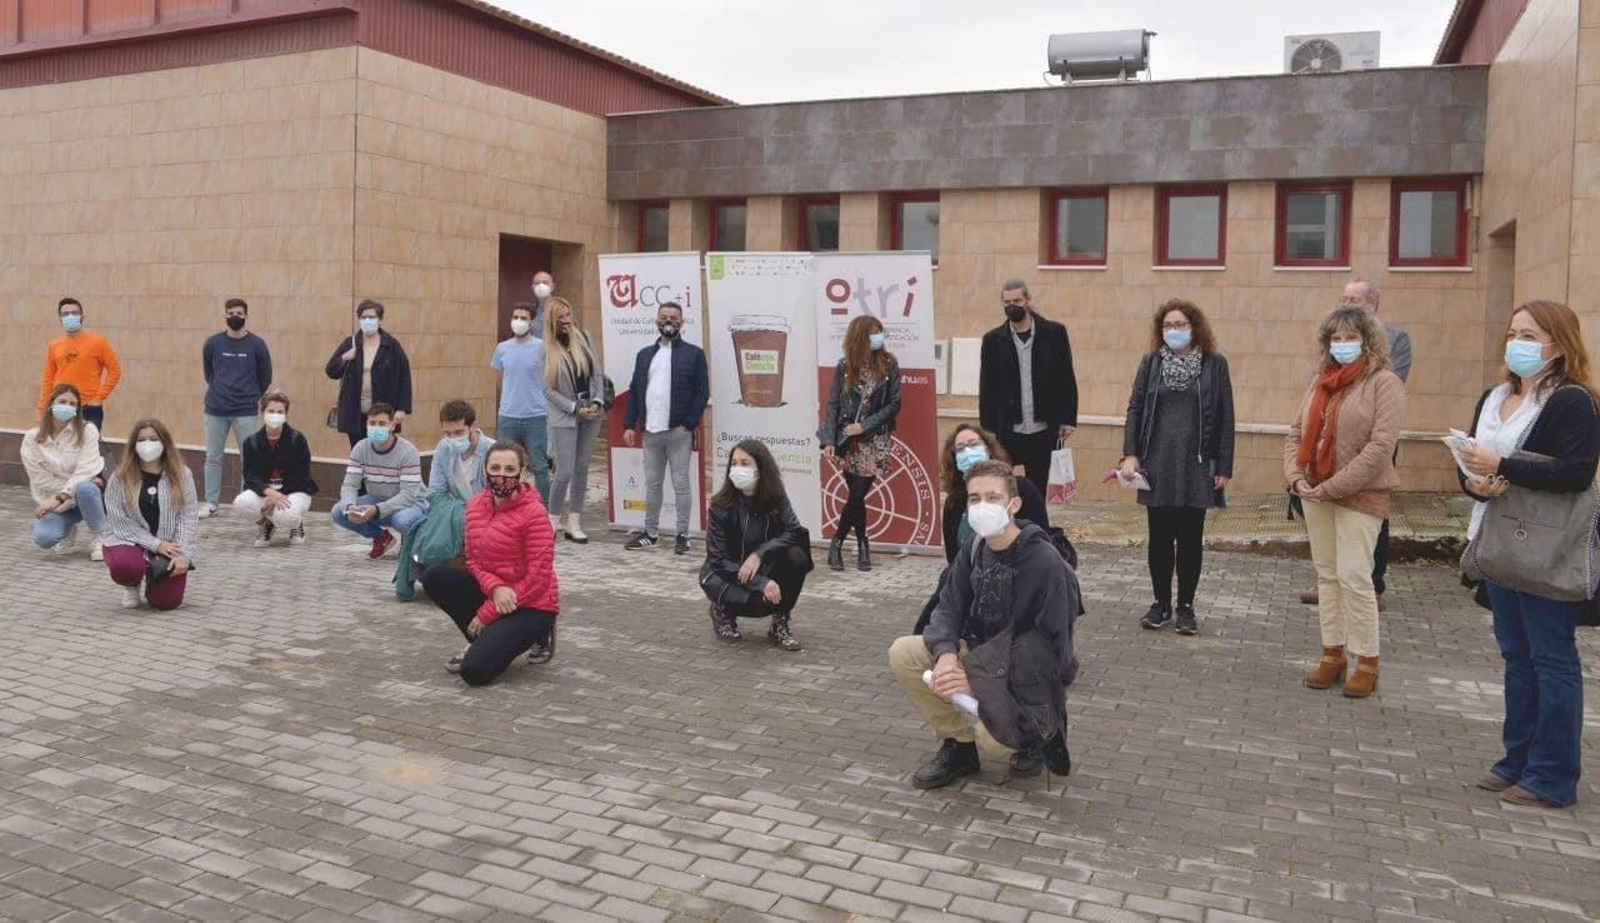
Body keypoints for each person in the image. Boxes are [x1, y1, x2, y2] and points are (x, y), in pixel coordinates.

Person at [1459, 300, 1597, 809]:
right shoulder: (1494, 396)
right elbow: (1472, 460)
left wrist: (1505, 465)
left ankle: (1552, 775)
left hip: (1546, 549)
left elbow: (1576, 473)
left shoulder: (1572, 401)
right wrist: (1478, 481)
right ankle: (1516, 760)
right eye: (1513, 332)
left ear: (1558, 345)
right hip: (1499, 545)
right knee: (1517, 659)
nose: (1516, 342)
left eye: (1530, 335)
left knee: (1552, 659)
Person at [888, 461, 1077, 788]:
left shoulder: (1045, 564)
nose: (982, 506)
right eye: (975, 499)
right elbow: (948, 607)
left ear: (1014, 504)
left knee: (993, 738)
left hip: (1026, 676)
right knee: (904, 653)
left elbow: (1048, 650)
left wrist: (975, 679)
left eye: (993, 497)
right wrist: (947, 655)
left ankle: (1039, 735)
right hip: (980, 658)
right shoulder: (974, 548)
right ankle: (959, 748)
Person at [1285, 306, 1405, 699]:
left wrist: (1334, 485)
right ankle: (1332, 654)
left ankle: (1367, 661)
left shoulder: (1384, 383)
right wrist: (1295, 476)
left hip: (1359, 495)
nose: (1342, 345)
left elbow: (1381, 446)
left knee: (1355, 576)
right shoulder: (1320, 383)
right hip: (1315, 493)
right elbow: (1295, 432)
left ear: (1368, 340)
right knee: (1328, 576)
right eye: (1335, 338)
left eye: (1350, 337)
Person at [1120, 299, 1235, 636]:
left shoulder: (1215, 364)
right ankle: (1160, 604)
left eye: (1180, 325)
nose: (1174, 331)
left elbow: (1226, 417)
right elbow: (1135, 408)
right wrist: (1130, 453)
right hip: (1157, 463)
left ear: (1194, 327)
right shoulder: (1151, 362)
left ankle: (1186, 606)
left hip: (1197, 464)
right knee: (1158, 538)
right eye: (1167, 326)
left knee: (1189, 539)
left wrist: (1223, 465)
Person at [1303, 279, 1411, 608]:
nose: (1347, 304)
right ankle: (1331, 585)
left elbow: (1389, 396)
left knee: (1366, 525)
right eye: (1344, 298)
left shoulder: (1396, 342)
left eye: (1355, 299)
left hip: (1366, 443)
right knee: (1331, 541)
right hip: (1327, 453)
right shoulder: (1326, 367)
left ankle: (1372, 583)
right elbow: (1301, 424)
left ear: (1374, 304)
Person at [420, 440, 559, 686]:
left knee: (474, 672)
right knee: (435, 576)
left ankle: (537, 636)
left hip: (532, 603)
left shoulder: (535, 513)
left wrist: (487, 613)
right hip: (494, 593)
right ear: (484, 470)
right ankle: (485, 641)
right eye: (495, 468)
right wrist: (495, 588)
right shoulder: (474, 506)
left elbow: (539, 577)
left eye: (509, 469)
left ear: (522, 472)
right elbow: (472, 560)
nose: (501, 476)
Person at [912, 424, 1049, 635]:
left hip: (1017, 578)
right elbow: (954, 558)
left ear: (988, 449)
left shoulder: (1021, 489)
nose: (967, 451)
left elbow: (1042, 541)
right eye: (960, 449)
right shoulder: (954, 502)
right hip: (969, 580)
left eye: (973, 444)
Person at [699, 440, 812, 650]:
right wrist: (762, 583)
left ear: (760, 470)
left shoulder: (776, 497)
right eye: (734, 463)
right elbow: (718, 561)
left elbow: (795, 531)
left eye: (745, 463)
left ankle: (780, 624)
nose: (737, 469)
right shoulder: (720, 506)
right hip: (725, 575)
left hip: (761, 566)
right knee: (760, 601)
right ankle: (723, 610)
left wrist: (760, 554)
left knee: (797, 555)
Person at [623, 301, 710, 555]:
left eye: (673, 317)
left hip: (678, 432)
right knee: (652, 485)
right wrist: (629, 424)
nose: (668, 321)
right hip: (650, 431)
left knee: (681, 483)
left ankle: (683, 534)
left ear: (682, 323)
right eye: (663, 317)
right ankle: (650, 533)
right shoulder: (644, 355)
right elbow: (635, 390)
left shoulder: (694, 354)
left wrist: (688, 424)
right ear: (656, 321)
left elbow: (702, 392)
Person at [818, 315, 902, 572]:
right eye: (873, 333)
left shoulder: (889, 364)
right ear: (859, 337)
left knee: (856, 494)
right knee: (856, 498)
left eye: (880, 332)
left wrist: (865, 425)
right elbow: (832, 404)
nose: (878, 337)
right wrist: (829, 440)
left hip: (874, 440)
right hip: (847, 442)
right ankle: (863, 543)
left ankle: (838, 542)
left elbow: (894, 404)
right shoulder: (845, 366)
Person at [978, 279, 1077, 495]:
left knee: (1037, 490)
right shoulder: (992, 340)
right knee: (1002, 487)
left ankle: (1035, 527)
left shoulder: (1054, 333)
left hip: (1042, 427)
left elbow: (1066, 377)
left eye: (1017, 300)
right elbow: (987, 385)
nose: (1012, 305)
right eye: (1007, 302)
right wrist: (988, 427)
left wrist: (1068, 419)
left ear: (1028, 300)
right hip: (1008, 429)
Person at [102, 419, 198, 611]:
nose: (148, 444)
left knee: (166, 603)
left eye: (154, 439)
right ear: (133, 445)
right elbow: (118, 522)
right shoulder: (120, 477)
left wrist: (183, 556)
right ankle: (132, 584)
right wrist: (156, 544)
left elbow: (188, 517)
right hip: (129, 541)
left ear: (165, 443)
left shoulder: (182, 474)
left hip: (169, 545)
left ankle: (153, 581)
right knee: (125, 566)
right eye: (142, 439)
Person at [200, 297, 273, 518]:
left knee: (248, 458)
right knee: (213, 457)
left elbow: (265, 377)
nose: (235, 317)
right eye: (231, 313)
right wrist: (220, 391)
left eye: (239, 313)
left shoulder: (257, 345)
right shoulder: (213, 343)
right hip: (215, 409)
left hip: (246, 410)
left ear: (246, 316)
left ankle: (246, 502)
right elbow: (209, 374)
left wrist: (250, 396)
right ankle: (211, 503)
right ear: (225, 315)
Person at [543, 297, 604, 544]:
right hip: (565, 415)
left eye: (568, 315)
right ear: (552, 321)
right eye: (561, 317)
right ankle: (552, 520)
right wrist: (573, 408)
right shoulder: (546, 348)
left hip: (591, 411)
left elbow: (597, 373)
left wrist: (597, 401)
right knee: (565, 471)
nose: (567, 321)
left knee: (581, 468)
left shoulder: (584, 337)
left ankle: (575, 521)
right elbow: (547, 390)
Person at [332, 403, 427, 559]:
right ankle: (382, 538)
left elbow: (409, 495)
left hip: (412, 505)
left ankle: (411, 540)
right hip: (378, 500)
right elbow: (349, 484)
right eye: (372, 423)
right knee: (339, 511)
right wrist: (350, 506)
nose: (376, 428)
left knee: (402, 521)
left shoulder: (408, 451)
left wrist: (376, 509)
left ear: (392, 425)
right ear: (366, 425)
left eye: (382, 424)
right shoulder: (360, 448)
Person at [24, 384, 107, 560]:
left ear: (78, 409)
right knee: (44, 539)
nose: (67, 406)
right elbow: (39, 479)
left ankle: (100, 537)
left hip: (80, 497)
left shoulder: (87, 431)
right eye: (62, 401)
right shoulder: (32, 438)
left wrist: (60, 497)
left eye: (72, 403)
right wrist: (74, 484)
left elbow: (86, 469)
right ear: (51, 404)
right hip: (57, 501)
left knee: (85, 488)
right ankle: (69, 529)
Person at [325, 300, 413, 448]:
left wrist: (402, 409)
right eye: (364, 317)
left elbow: (404, 377)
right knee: (359, 452)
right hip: (356, 413)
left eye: (372, 317)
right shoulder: (350, 343)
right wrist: (345, 357)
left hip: (383, 413)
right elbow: (331, 370)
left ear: (379, 319)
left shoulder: (391, 345)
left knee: (383, 451)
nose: (368, 321)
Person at [233, 391, 316, 547]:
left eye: (280, 412)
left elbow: (302, 476)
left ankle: (296, 524)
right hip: (266, 490)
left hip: (294, 490)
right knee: (241, 502)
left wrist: (280, 494)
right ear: (262, 412)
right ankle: (266, 524)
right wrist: (268, 492)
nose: (275, 415)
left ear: (286, 414)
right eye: (271, 411)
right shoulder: (251, 442)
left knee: (287, 516)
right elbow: (250, 476)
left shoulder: (297, 439)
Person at [492, 301, 552, 503]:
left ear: (532, 322)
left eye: (523, 318)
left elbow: (548, 379)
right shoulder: (502, 348)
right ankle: (506, 505)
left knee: (540, 467)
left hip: (535, 417)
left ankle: (546, 513)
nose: (518, 322)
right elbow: (500, 380)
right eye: (515, 317)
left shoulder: (542, 348)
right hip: (508, 416)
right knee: (504, 465)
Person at [38, 297, 121, 431]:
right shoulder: (54, 346)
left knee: (87, 448)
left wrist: (99, 398)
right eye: (65, 314)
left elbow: (115, 371)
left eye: (74, 313)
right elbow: (48, 378)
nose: (70, 316)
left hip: (88, 407)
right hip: (60, 407)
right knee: (59, 448)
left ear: (82, 316)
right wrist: (42, 408)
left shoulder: (98, 342)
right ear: (60, 318)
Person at [430, 400, 492, 502]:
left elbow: (498, 496)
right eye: (447, 434)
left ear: (472, 426)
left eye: (458, 432)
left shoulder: (492, 450)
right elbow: (435, 492)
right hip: (456, 511)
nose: (453, 438)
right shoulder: (443, 448)